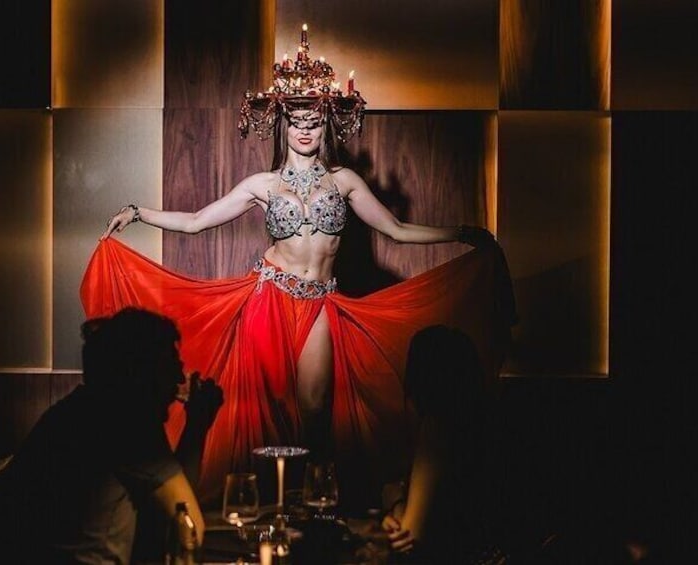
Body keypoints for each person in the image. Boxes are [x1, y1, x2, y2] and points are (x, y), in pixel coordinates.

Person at [84, 27, 514, 507]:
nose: (305, 129)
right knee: (267, 406)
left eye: (313, 121)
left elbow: (395, 229)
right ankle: (270, 505)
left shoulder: (345, 181)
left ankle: (312, 504)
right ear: (283, 126)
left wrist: (459, 233)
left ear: (325, 125)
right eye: (296, 121)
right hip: (268, 296)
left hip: (320, 301)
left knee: (314, 409)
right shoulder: (262, 185)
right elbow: (196, 221)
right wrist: (138, 212)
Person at [0, 308, 222, 564]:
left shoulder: (75, 411)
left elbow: (176, 514)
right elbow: (188, 529)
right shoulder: (125, 421)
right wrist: (197, 426)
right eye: (170, 367)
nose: (178, 378)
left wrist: (197, 423)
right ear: (140, 371)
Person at [381, 325, 505, 564]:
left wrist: (393, 500)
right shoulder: (487, 422)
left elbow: (411, 540)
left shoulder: (437, 427)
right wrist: (396, 515)